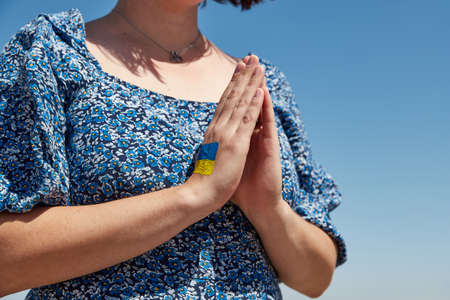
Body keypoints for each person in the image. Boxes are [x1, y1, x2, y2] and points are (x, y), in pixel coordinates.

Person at [0, 0, 347, 299]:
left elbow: (315, 277)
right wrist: (198, 192)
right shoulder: (51, 52)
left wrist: (268, 209)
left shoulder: (263, 84)